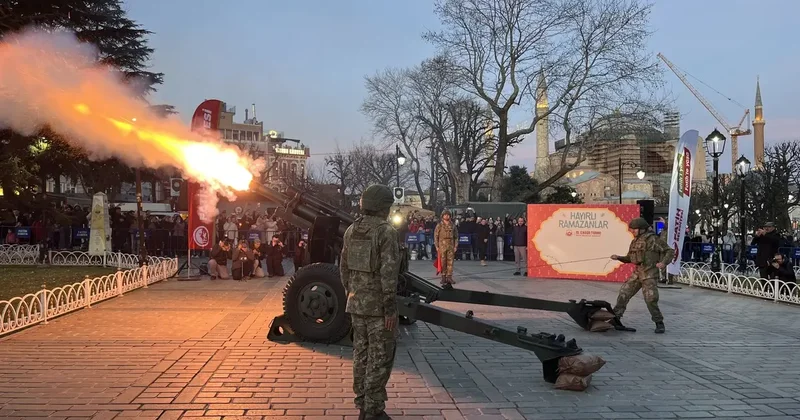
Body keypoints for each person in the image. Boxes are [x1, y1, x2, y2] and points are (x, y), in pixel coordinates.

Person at [340, 184, 400, 420]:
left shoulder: (352, 230)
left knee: (361, 355)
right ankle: (373, 411)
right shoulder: (386, 232)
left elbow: (343, 268)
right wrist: (390, 310)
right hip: (378, 310)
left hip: (356, 305)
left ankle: (363, 404)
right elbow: (389, 274)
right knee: (380, 357)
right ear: (384, 207)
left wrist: (352, 292)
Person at [609, 218, 673, 334]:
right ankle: (616, 318)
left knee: (651, 299)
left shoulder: (653, 239)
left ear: (642, 229)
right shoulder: (635, 241)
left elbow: (669, 251)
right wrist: (618, 257)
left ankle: (659, 322)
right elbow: (630, 258)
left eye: (634, 230)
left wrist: (663, 263)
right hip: (638, 273)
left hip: (649, 274)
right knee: (624, 293)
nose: (632, 232)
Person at [434, 209, 458, 287]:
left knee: (450, 262)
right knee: (443, 262)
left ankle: (449, 277)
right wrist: (437, 246)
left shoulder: (453, 225)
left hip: (451, 245)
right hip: (442, 245)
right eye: (445, 215)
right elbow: (436, 236)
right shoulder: (439, 225)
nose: (447, 216)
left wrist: (455, 246)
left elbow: (456, 236)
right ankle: (443, 276)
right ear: (442, 216)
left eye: (448, 215)